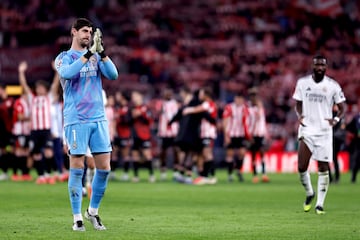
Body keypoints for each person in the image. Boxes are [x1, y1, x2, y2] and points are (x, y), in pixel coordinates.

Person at [55, 18, 118, 231]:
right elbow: (67, 73)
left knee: (104, 169)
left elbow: (113, 75)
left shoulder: (95, 57)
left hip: (98, 119)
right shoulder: (63, 58)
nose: (87, 35)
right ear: (73, 32)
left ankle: (93, 211)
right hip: (76, 120)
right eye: (84, 31)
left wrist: (102, 53)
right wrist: (89, 53)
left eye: (90, 32)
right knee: (77, 168)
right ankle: (76, 218)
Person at [293, 54, 346, 215]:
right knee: (302, 166)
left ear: (326, 67)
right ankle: (310, 192)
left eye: (322, 65)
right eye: (317, 65)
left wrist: (335, 120)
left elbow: (342, 108)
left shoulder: (333, 86)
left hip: (324, 131)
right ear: (312, 66)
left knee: (323, 167)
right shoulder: (303, 83)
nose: (320, 68)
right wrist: (300, 116)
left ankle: (320, 205)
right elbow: (298, 104)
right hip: (307, 128)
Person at [18, 61, 58, 185]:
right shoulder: (32, 98)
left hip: (46, 130)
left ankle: (50, 173)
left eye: (41, 87)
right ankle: (41, 175)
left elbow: (55, 84)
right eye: (37, 87)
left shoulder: (49, 97)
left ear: (45, 89)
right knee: (35, 154)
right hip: (35, 131)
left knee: (48, 152)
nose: (39, 89)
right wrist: (21, 72)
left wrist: (56, 71)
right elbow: (24, 85)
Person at [222, 92, 251, 182]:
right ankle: (230, 174)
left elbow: (248, 122)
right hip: (231, 134)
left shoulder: (245, 108)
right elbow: (225, 121)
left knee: (242, 153)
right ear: (235, 99)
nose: (239, 101)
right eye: (237, 99)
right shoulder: (229, 107)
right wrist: (226, 135)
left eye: (240, 99)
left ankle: (238, 170)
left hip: (241, 135)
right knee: (230, 154)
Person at [129, 90, 155, 183]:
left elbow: (150, 120)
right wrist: (132, 116)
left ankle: (151, 175)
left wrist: (141, 114)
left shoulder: (145, 108)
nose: (134, 98)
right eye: (133, 97)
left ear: (140, 97)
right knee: (135, 156)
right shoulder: (132, 109)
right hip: (134, 135)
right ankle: (136, 176)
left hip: (144, 135)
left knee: (147, 155)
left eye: (135, 96)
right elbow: (128, 121)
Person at [157, 88, 180, 181]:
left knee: (176, 151)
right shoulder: (161, 104)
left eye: (169, 93)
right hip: (164, 132)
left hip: (174, 131)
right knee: (163, 152)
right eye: (166, 93)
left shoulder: (175, 104)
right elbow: (159, 115)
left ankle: (176, 171)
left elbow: (176, 116)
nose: (167, 95)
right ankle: (163, 171)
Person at [248, 87, 270, 183]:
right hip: (253, 134)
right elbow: (249, 123)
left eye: (255, 96)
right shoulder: (249, 109)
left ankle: (264, 174)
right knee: (253, 155)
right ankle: (255, 175)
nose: (254, 99)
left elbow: (263, 122)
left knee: (261, 153)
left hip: (260, 134)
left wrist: (266, 133)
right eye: (253, 96)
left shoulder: (260, 108)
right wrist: (249, 135)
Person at [114, 91, 132, 181]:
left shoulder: (128, 108)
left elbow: (129, 121)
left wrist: (121, 117)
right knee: (114, 153)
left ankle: (125, 173)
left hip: (125, 134)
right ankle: (112, 173)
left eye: (119, 95)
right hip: (116, 134)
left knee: (125, 154)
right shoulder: (117, 107)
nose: (117, 97)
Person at [346, 98, 360, 183]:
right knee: (357, 160)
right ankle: (353, 177)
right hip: (358, 143)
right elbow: (349, 128)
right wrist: (352, 134)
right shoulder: (357, 117)